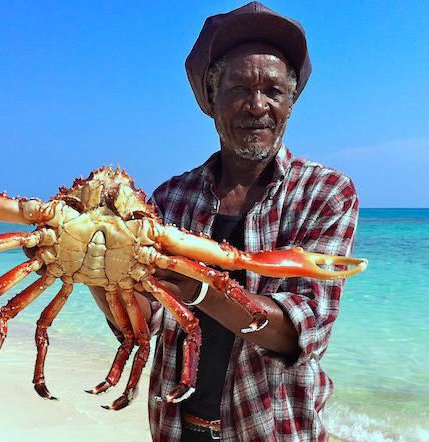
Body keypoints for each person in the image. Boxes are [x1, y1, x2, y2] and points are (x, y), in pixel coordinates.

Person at [92, 2, 359, 441]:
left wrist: (201, 290)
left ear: (290, 103)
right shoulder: (168, 199)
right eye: (238, 88)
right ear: (211, 98)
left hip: (275, 430)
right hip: (176, 429)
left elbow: (302, 330)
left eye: (273, 91)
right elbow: (144, 322)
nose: (257, 105)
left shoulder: (325, 194)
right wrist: (98, 272)